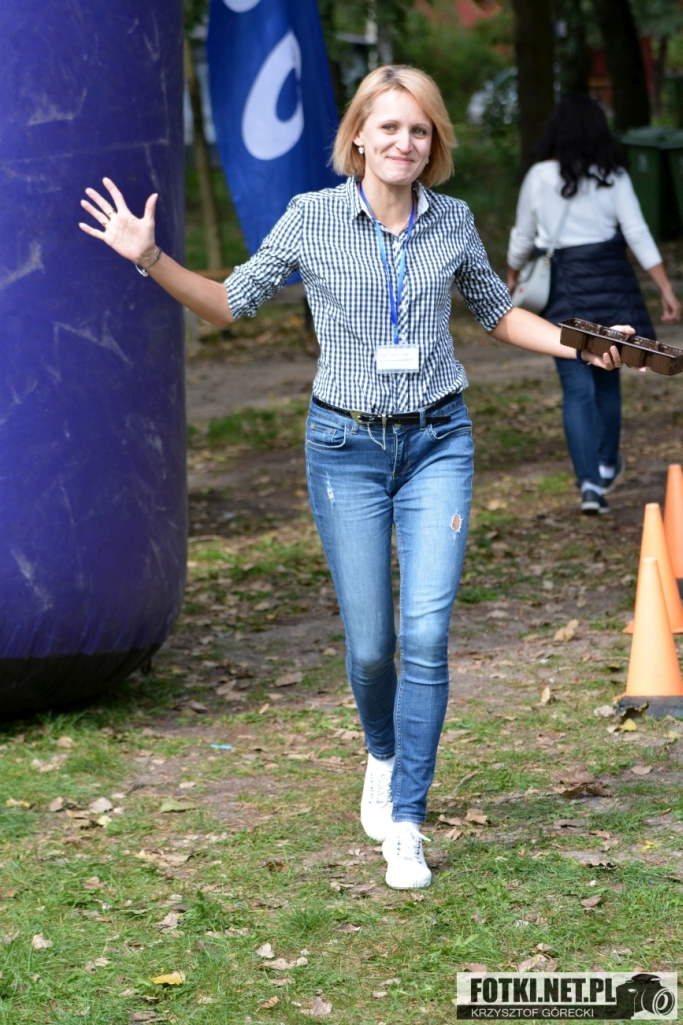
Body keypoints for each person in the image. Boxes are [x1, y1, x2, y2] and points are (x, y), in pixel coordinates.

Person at [79, 66, 626, 890]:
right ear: (359, 136)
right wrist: (151, 256)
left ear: (432, 143)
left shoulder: (451, 221)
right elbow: (229, 303)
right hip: (345, 447)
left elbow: (495, 312)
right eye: (390, 127)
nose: (405, 142)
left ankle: (407, 821)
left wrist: (579, 344)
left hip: (438, 440)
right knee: (372, 649)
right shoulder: (311, 217)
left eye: (420, 130)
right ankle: (381, 749)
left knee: (426, 637)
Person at [507, 94, 681, 516]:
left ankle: (589, 485)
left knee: (576, 388)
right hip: (611, 285)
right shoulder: (613, 175)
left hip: (563, 289)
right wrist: (665, 289)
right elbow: (637, 233)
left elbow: (523, 237)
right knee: (608, 378)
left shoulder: (539, 176)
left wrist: (512, 275)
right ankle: (605, 465)